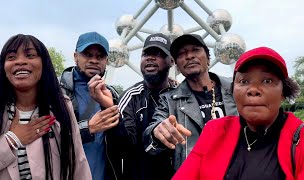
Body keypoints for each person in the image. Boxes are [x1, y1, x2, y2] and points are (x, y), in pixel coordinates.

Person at [173, 46, 303, 180]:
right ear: (233, 90)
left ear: (283, 92)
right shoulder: (214, 131)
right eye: (244, 81)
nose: (253, 90)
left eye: (267, 81)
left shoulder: (300, 140)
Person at [0, 34, 91, 179]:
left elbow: (78, 162)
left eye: (30, 55)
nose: (20, 61)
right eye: (11, 57)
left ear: (44, 64)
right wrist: (12, 140)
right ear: (3, 68)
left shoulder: (61, 107)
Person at [143, 33, 238, 171]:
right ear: (177, 65)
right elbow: (152, 134)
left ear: (208, 58)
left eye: (195, 50)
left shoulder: (235, 88)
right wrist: (157, 132)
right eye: (181, 54)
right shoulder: (170, 101)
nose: (189, 56)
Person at [115, 33, 177, 180]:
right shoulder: (130, 96)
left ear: (172, 61)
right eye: (146, 54)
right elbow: (123, 147)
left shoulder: (180, 95)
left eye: (158, 54)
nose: (150, 58)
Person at [59, 32, 120, 180]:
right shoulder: (55, 91)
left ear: (106, 61)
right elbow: (47, 139)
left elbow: (123, 144)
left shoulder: (113, 94)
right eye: (87, 54)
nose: (94, 60)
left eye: (100, 56)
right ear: (75, 56)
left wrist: (109, 107)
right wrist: (88, 128)